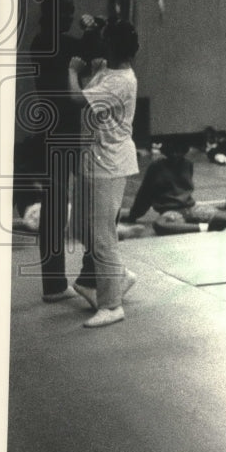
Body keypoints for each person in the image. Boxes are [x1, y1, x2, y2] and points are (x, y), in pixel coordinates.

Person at [67, 19, 140, 327]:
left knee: (101, 236)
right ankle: (119, 275)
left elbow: (75, 99)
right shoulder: (107, 69)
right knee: (81, 228)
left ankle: (111, 305)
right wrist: (96, 24)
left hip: (108, 164)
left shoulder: (120, 80)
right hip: (93, 160)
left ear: (112, 46)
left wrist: (71, 70)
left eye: (104, 39)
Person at [29, 0, 83, 302]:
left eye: (72, 10)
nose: (71, 17)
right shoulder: (50, 43)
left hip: (59, 129)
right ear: (51, 14)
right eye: (66, 11)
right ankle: (55, 282)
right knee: (55, 207)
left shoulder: (46, 42)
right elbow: (85, 50)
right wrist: (96, 31)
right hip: (61, 131)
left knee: (56, 206)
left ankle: (54, 282)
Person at [118, 138, 215, 236]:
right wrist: (133, 215)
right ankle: (205, 227)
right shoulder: (157, 166)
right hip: (172, 212)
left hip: (190, 208)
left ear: (183, 151)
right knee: (159, 225)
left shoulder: (188, 164)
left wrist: (133, 216)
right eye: (172, 151)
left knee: (223, 217)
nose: (175, 155)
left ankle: (205, 225)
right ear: (166, 151)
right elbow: (145, 195)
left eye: (178, 151)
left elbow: (144, 195)